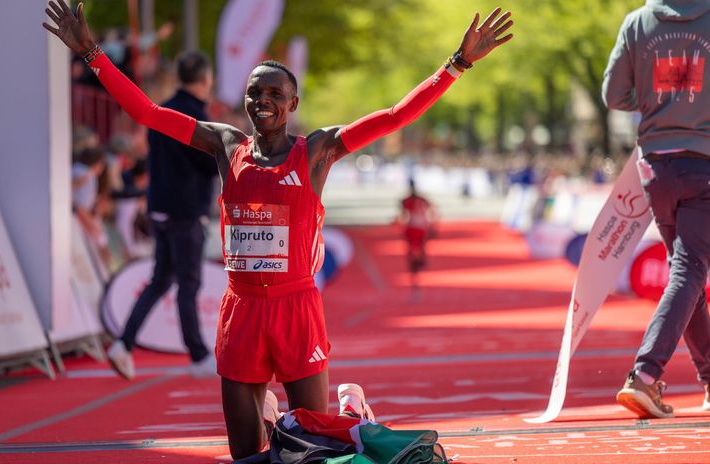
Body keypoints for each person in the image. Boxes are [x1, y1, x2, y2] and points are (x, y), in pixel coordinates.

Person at [44, 1, 513, 457]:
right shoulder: (225, 145)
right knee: (246, 455)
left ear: (293, 102)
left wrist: (455, 65)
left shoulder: (317, 151)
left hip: (296, 308)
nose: (261, 101)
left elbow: (394, 117)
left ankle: (344, 412)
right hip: (243, 311)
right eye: (254, 93)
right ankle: (268, 418)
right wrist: (92, 55)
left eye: (273, 94)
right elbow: (148, 114)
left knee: (312, 445)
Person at [603, 0, 710, 418]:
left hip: (656, 167)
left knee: (689, 271)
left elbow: (613, 94)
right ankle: (644, 376)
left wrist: (653, 102)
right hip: (703, 160)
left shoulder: (636, 23)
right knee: (689, 271)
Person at [105, 50, 219, 381]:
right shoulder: (199, 117)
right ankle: (198, 355)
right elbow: (207, 164)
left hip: (159, 206)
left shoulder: (161, 111)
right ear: (206, 79)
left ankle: (124, 344)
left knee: (161, 280)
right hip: (186, 210)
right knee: (187, 283)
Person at [399, 179, 438, 300]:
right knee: (414, 255)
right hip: (417, 230)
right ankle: (416, 272)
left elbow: (403, 216)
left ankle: (416, 270)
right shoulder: (413, 200)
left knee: (414, 255)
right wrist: (432, 225)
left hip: (415, 230)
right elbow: (432, 211)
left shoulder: (409, 201)